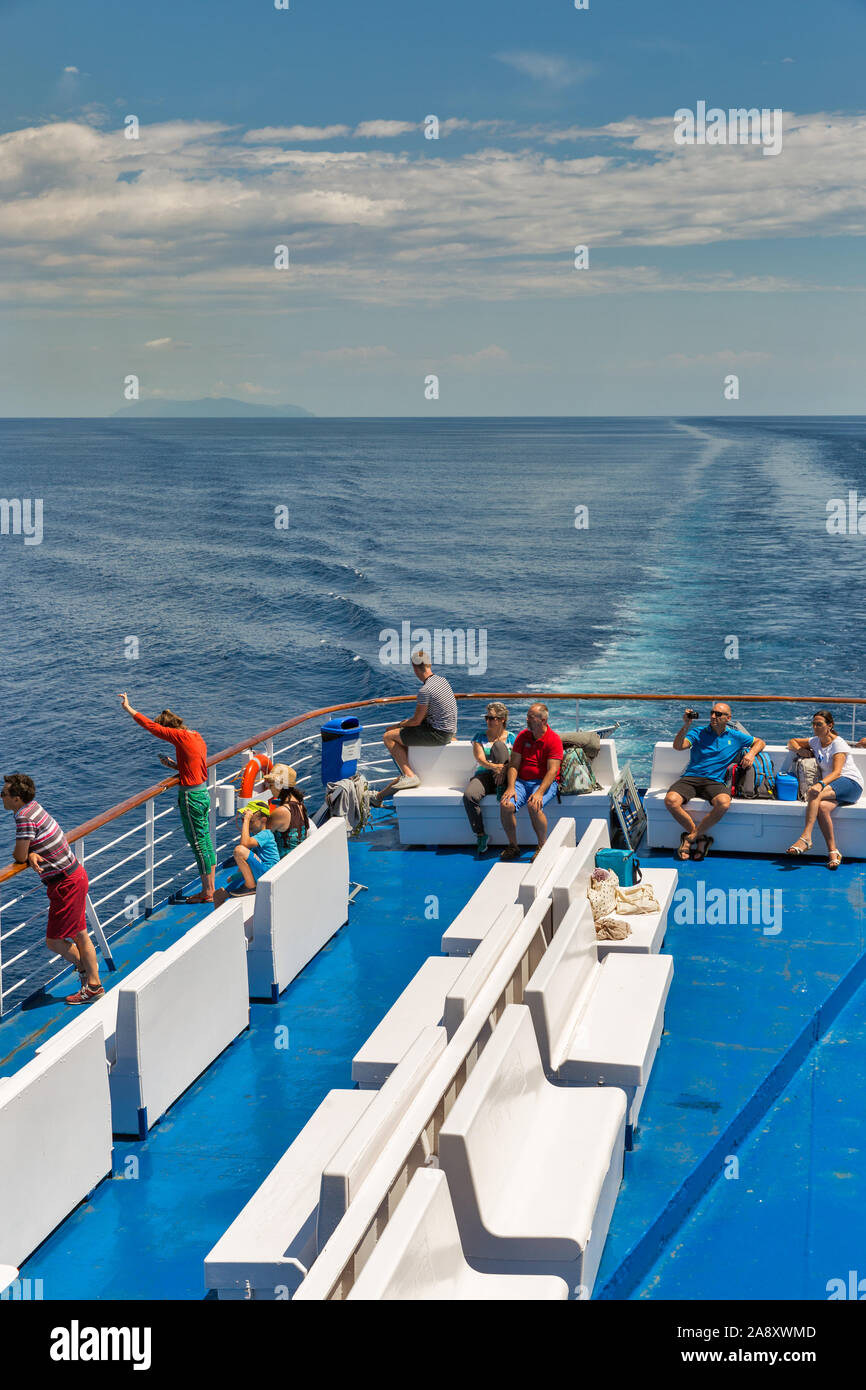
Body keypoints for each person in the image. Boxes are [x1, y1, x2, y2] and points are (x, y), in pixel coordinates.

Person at [1, 773, 103, 1005]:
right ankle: (90, 980)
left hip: (65, 883)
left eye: (4, 794)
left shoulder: (23, 817)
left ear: (16, 799)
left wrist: (27, 855)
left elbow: (18, 855)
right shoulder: (34, 808)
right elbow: (36, 843)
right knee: (79, 934)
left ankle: (91, 981)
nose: (1, 797)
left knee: (54, 941)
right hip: (73, 875)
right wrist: (33, 853)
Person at [119, 694, 216, 903]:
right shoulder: (195, 736)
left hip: (192, 798)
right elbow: (196, 766)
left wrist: (128, 708)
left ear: (169, 729)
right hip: (203, 792)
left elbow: (150, 727)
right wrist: (174, 766)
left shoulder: (179, 737)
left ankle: (207, 893)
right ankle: (211, 887)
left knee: (198, 845)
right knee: (206, 841)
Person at [665, 703, 765, 860]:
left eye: (718, 714)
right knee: (671, 800)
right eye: (712, 713)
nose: (713, 716)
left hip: (715, 781)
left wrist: (751, 754)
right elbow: (678, 746)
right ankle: (699, 838)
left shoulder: (735, 736)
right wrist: (686, 725)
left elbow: (760, 742)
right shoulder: (698, 732)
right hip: (691, 777)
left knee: (724, 803)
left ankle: (690, 838)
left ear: (728, 718)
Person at [373, 651, 457, 804]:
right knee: (403, 746)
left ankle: (409, 775)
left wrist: (398, 725)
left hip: (437, 735)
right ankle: (400, 779)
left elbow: (417, 721)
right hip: (449, 731)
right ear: (429, 664)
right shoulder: (443, 681)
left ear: (414, 668)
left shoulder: (425, 690)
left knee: (389, 736)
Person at [786, 709, 864, 868]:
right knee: (821, 807)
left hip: (850, 784)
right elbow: (792, 741)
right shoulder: (815, 741)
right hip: (835, 787)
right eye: (813, 724)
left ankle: (806, 837)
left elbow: (837, 772)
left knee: (815, 793)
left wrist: (820, 784)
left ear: (830, 725)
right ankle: (833, 852)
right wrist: (800, 750)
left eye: (819, 724)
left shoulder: (838, 743)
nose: (815, 727)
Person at [499, 703, 563, 861]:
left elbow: (552, 771)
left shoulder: (553, 740)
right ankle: (513, 846)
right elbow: (514, 765)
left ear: (543, 720)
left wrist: (540, 793)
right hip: (521, 782)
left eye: (531, 717)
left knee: (534, 805)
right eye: (527, 716)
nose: (527, 719)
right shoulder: (523, 736)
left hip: (544, 782)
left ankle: (542, 846)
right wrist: (511, 787)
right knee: (506, 805)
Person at [462, 702, 515, 855]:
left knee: (499, 746)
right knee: (469, 796)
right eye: (487, 717)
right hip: (485, 775)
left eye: (492, 718)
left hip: (506, 776)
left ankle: (501, 786)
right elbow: (479, 759)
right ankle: (480, 834)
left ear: (502, 719)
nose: (488, 721)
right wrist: (494, 768)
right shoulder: (479, 737)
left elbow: (515, 761)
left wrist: (503, 771)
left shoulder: (511, 737)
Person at [229, 803, 280, 896]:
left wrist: (246, 820)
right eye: (244, 820)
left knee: (239, 850)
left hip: (269, 872)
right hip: (260, 869)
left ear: (263, 820)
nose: (247, 824)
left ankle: (250, 887)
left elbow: (244, 845)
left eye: (250, 821)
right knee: (219, 894)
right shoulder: (253, 836)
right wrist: (235, 876)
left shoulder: (266, 834)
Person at [261, 764, 310, 856]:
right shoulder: (300, 804)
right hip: (299, 856)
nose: (268, 787)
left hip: (284, 862)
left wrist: (249, 819)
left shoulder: (281, 812)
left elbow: (261, 836)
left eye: (271, 784)